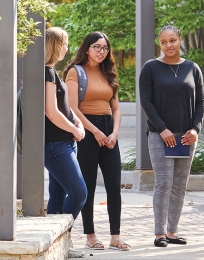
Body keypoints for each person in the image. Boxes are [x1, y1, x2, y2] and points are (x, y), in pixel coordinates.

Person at [139, 25, 204, 247]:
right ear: (160, 44)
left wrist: (195, 128)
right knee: (164, 182)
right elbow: (146, 101)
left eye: (173, 40)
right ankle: (159, 233)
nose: (169, 45)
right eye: (164, 42)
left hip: (187, 136)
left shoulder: (192, 68)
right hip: (160, 135)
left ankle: (172, 232)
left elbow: (200, 102)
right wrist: (162, 129)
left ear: (180, 41)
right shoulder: (150, 68)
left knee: (180, 184)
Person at [63, 31, 130, 251]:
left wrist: (114, 133)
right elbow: (73, 108)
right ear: (87, 48)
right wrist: (95, 132)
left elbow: (116, 107)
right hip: (86, 130)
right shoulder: (75, 71)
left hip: (109, 129)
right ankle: (90, 235)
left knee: (114, 186)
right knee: (88, 186)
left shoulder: (108, 72)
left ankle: (115, 237)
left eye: (105, 48)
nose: (101, 52)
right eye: (97, 47)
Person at [44, 27, 87, 258]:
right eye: (65, 43)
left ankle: (58, 248)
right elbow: (51, 112)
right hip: (56, 144)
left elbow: (64, 108)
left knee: (58, 198)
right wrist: (75, 129)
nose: (67, 48)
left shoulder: (52, 72)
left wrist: (77, 125)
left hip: (64, 142)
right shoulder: (47, 73)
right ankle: (59, 240)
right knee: (79, 193)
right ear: (56, 45)